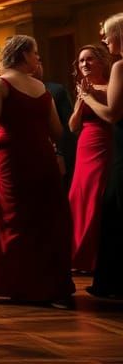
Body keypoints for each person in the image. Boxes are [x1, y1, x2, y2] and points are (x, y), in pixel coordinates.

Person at [0, 35, 74, 307]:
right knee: (42, 219)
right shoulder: (40, 87)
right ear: (23, 54)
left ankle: (6, 280)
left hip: (11, 158)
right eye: (35, 53)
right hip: (41, 158)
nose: (38, 58)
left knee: (10, 218)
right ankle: (45, 284)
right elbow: (58, 131)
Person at [81, 14, 123, 298]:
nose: (105, 40)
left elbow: (112, 113)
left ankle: (112, 283)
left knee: (115, 210)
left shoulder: (120, 65)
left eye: (107, 35)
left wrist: (88, 99)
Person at [67, 44, 113, 272]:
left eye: (89, 60)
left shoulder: (111, 86)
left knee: (97, 197)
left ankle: (95, 257)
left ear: (102, 62)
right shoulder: (83, 88)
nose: (84, 64)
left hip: (105, 145)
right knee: (79, 196)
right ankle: (78, 256)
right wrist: (81, 101)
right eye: (81, 61)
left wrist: (92, 96)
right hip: (84, 146)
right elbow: (73, 125)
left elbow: (112, 116)